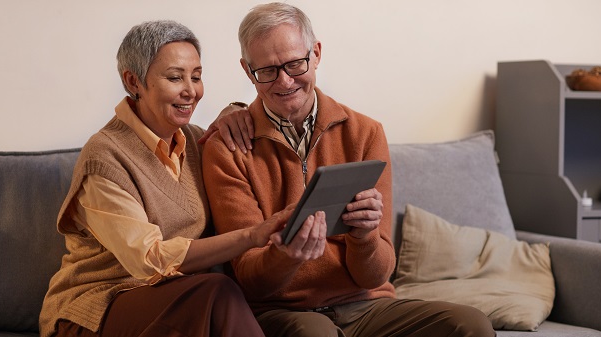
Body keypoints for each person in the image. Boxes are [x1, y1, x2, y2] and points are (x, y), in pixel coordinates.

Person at [201, 3, 496, 337]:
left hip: (365, 306)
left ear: (316, 53)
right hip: (281, 312)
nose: (284, 81)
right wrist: (286, 256)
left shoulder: (365, 133)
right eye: (267, 71)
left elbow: (376, 275)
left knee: (471, 325)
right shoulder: (227, 148)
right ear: (247, 69)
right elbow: (251, 281)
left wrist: (364, 236)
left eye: (296, 63)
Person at [38, 20, 324, 337]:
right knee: (218, 291)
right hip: (95, 311)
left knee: (217, 294)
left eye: (197, 77)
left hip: (186, 305)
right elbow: (149, 260)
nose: (191, 90)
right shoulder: (104, 157)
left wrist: (239, 110)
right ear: (134, 81)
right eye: (175, 78)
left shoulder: (198, 143)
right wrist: (253, 235)